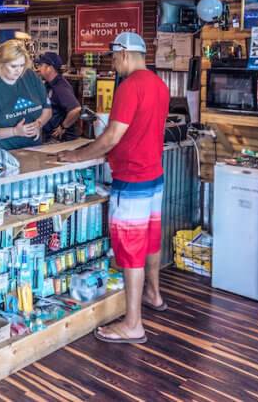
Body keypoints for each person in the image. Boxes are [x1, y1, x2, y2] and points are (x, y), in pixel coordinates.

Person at [58, 32, 169, 345]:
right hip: (154, 175)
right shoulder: (158, 85)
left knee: (130, 250)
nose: (113, 63)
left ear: (124, 54)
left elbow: (111, 137)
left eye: (113, 57)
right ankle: (154, 294)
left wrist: (75, 155)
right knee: (150, 240)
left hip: (131, 178)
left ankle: (133, 324)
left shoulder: (130, 86)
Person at [0, 40, 51, 150]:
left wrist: (38, 124)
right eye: (13, 66)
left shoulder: (30, 76)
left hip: (34, 150)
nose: (18, 70)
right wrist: (14, 131)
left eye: (22, 65)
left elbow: (47, 109)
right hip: (3, 153)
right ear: (1, 63)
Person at [36, 52, 81, 142]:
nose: (38, 68)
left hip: (62, 140)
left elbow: (76, 109)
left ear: (49, 68)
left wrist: (63, 127)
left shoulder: (60, 87)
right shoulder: (50, 84)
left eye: (41, 65)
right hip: (52, 137)